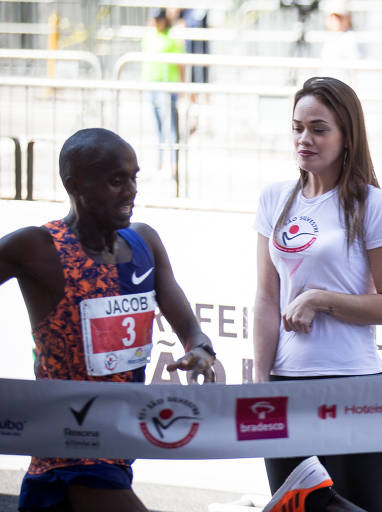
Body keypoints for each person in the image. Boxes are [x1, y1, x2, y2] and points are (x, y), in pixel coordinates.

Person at [0, 128, 216, 512]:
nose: (131, 190)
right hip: (69, 450)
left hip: (120, 443)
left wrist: (199, 348)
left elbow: (189, 326)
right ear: (75, 185)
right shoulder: (37, 247)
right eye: (117, 181)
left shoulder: (144, 242)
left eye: (134, 177)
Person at [253, 76, 382, 512]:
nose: (305, 139)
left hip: (355, 389)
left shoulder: (372, 205)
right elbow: (266, 297)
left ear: (347, 137)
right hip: (285, 391)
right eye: (298, 127)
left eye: (319, 129)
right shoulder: (273, 199)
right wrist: (261, 383)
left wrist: (320, 298)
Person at [142, 8, 184, 177]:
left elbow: (181, 64)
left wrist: (183, 86)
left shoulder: (172, 38)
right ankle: (160, 161)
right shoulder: (149, 37)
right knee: (158, 127)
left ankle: (174, 163)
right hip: (153, 85)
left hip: (167, 87)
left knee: (172, 128)